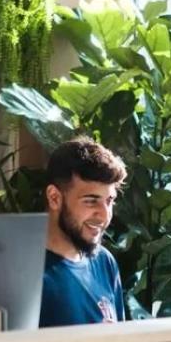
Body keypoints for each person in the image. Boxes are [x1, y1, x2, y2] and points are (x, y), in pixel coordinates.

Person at [39, 138, 128, 328]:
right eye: (91, 201)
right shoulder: (25, 274)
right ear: (54, 198)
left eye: (109, 201)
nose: (104, 215)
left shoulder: (105, 262)